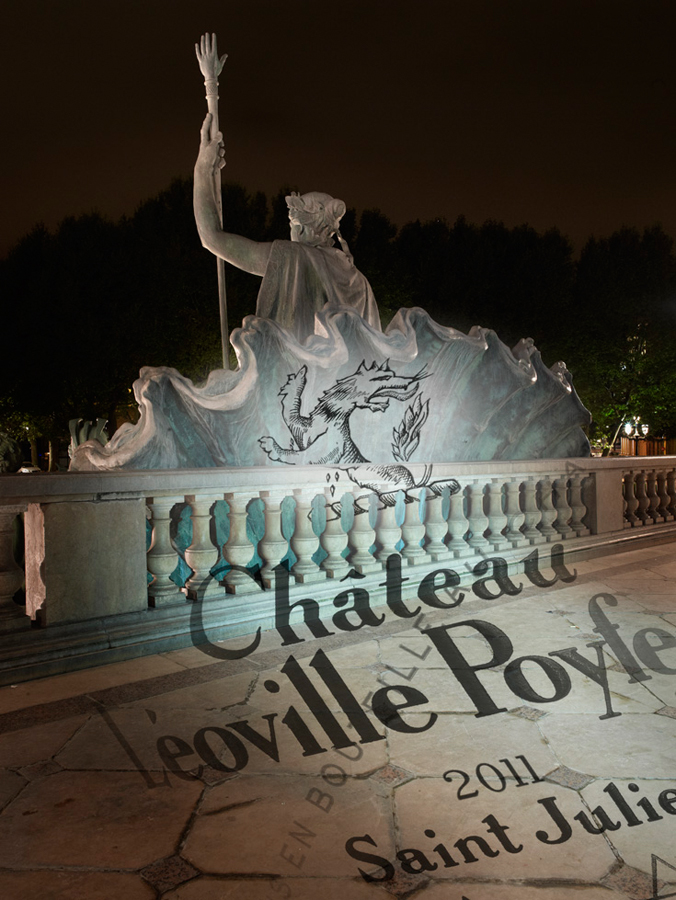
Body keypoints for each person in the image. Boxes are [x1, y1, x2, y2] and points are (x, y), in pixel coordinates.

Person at [193, 113, 382, 341]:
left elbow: (211, 237)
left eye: (292, 224)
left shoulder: (295, 257)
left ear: (302, 228)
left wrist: (202, 169)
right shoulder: (360, 283)